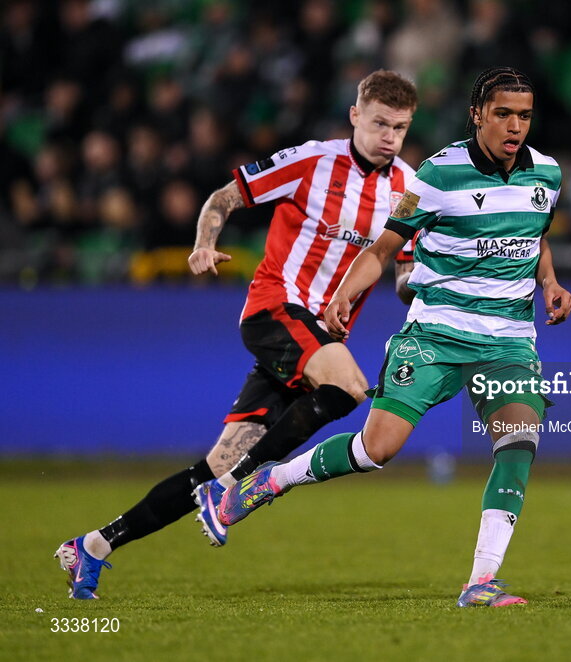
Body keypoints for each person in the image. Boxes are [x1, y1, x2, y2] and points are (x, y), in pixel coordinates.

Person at [199, 66, 571, 608]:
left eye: (524, 116)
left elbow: (533, 236)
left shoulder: (547, 174)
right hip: (436, 334)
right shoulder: (436, 176)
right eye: (503, 114)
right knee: (378, 449)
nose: (515, 126)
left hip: (508, 339)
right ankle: (269, 482)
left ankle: (480, 582)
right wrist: (347, 293)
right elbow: (380, 250)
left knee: (518, 443)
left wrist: (551, 282)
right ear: (477, 115)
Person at [55, 70, 420, 599]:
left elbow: (404, 275)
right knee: (348, 387)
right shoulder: (312, 161)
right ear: (355, 116)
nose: (390, 137)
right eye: (380, 123)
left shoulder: (408, 189)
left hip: (314, 337)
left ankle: (92, 546)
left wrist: (429, 290)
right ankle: (233, 492)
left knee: (213, 464)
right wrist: (204, 243)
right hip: (276, 309)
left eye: (401, 128)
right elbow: (223, 199)